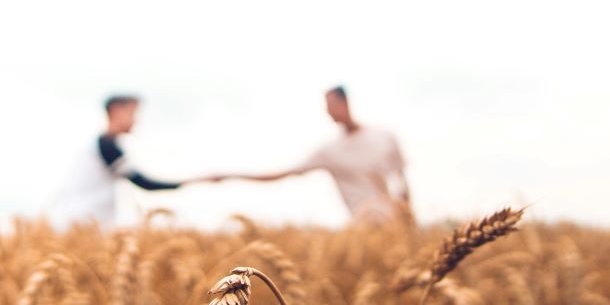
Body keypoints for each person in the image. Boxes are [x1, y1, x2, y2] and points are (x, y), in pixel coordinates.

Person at [213, 86, 412, 224]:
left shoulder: (385, 137)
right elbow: (283, 173)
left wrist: (408, 218)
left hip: (394, 227)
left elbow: (401, 182)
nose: (327, 111)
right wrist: (231, 175)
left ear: (345, 102)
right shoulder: (330, 151)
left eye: (330, 104)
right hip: (362, 229)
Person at [49, 95, 207, 226]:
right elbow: (144, 183)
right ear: (116, 111)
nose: (136, 120)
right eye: (132, 113)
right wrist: (196, 181)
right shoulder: (107, 146)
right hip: (83, 223)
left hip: (83, 222)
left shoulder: (101, 145)